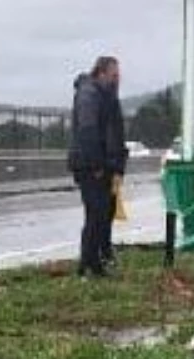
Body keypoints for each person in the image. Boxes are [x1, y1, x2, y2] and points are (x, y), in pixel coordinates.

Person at [68, 56, 128, 277]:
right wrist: (96, 165)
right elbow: (88, 131)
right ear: (101, 73)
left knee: (104, 213)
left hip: (106, 164)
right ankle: (88, 265)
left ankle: (95, 260)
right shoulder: (89, 95)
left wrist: (117, 164)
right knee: (96, 214)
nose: (117, 79)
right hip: (91, 166)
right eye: (114, 75)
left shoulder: (106, 96)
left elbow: (115, 133)